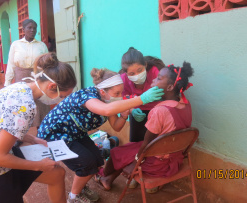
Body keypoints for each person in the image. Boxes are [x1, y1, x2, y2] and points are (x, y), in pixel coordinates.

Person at [37, 68, 164, 203]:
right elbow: (106, 110)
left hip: (74, 133)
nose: (120, 96)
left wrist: (125, 114)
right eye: (117, 93)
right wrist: (141, 99)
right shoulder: (88, 96)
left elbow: (116, 127)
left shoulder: (108, 100)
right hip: (56, 134)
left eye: (121, 92)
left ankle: (81, 187)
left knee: (97, 160)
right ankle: (73, 197)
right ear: (103, 91)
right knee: (86, 164)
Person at [0, 52, 77, 203]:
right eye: (62, 96)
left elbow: (4, 126)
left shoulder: (22, 86)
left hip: (0, 147)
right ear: (52, 86)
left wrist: (33, 138)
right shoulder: (26, 106)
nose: (61, 100)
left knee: (56, 174)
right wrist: (38, 165)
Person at [95, 62, 194, 192]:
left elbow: (146, 144)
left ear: (169, 87)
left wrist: (135, 163)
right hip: (175, 159)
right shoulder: (185, 104)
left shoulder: (160, 111)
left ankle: (104, 176)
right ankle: (107, 179)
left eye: (158, 78)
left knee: (116, 153)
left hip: (156, 165)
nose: (153, 79)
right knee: (127, 151)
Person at [4, 19, 49, 127]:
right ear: (23, 30)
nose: (32, 30)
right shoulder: (16, 45)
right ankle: (20, 134)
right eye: (29, 27)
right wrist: (7, 83)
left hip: (37, 78)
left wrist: (47, 80)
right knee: (22, 104)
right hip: (21, 78)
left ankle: (41, 131)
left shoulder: (41, 45)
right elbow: (11, 65)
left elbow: (47, 65)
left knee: (40, 104)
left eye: (34, 28)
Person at [120, 47, 165, 142]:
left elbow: (166, 91)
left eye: (140, 70)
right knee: (136, 142)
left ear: (145, 64)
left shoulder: (154, 72)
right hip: (138, 111)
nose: (137, 75)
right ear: (126, 73)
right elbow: (124, 99)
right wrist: (132, 110)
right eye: (132, 73)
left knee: (156, 143)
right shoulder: (123, 79)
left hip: (157, 111)